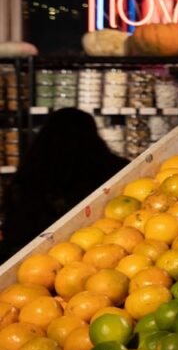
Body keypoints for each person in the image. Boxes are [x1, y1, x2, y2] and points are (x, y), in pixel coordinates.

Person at [1, 108, 129, 261]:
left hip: (34, 264)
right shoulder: (116, 170)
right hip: (101, 255)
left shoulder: (30, 175)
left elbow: (15, 231)